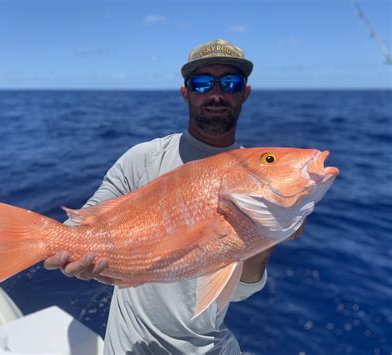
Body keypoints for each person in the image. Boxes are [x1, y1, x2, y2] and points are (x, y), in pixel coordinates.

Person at [44, 38, 304, 354]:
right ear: (186, 93)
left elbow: (239, 291)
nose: (216, 94)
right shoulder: (141, 159)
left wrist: (264, 236)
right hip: (128, 346)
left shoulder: (254, 176)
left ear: (244, 93)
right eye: (203, 83)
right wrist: (63, 247)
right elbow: (81, 226)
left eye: (231, 82)